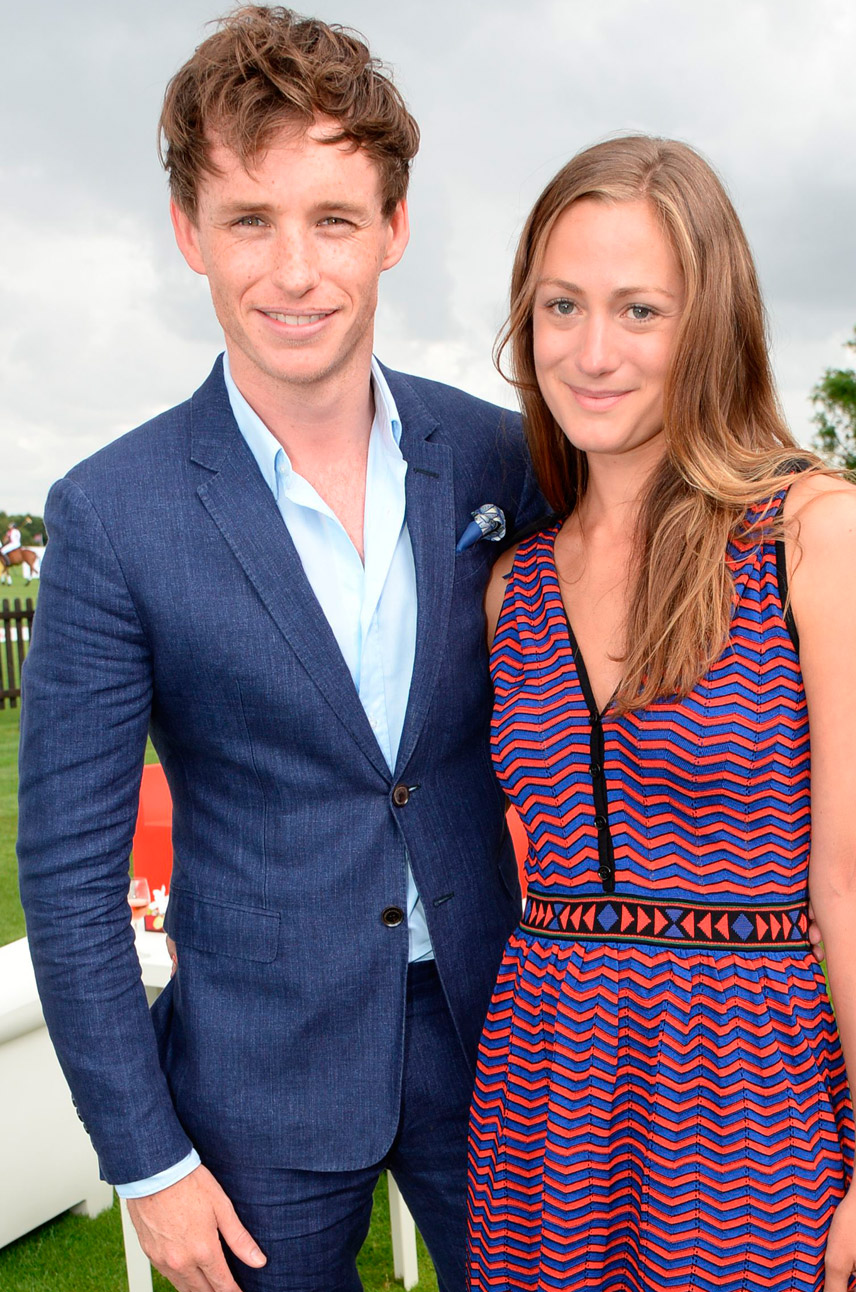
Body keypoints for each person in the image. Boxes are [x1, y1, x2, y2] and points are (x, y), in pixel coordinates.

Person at [17, 8, 541, 1292]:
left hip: (506, 1037)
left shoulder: (500, 457)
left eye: (334, 219)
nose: (294, 269)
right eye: (251, 219)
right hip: (254, 1077)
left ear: (395, 229)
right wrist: (145, 1163)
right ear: (190, 232)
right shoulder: (111, 510)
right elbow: (71, 877)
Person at [466, 136, 856, 1292]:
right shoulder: (512, 584)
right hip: (541, 1090)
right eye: (561, 305)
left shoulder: (817, 534)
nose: (593, 350)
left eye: (641, 309)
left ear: (710, 321)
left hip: (751, 1091)